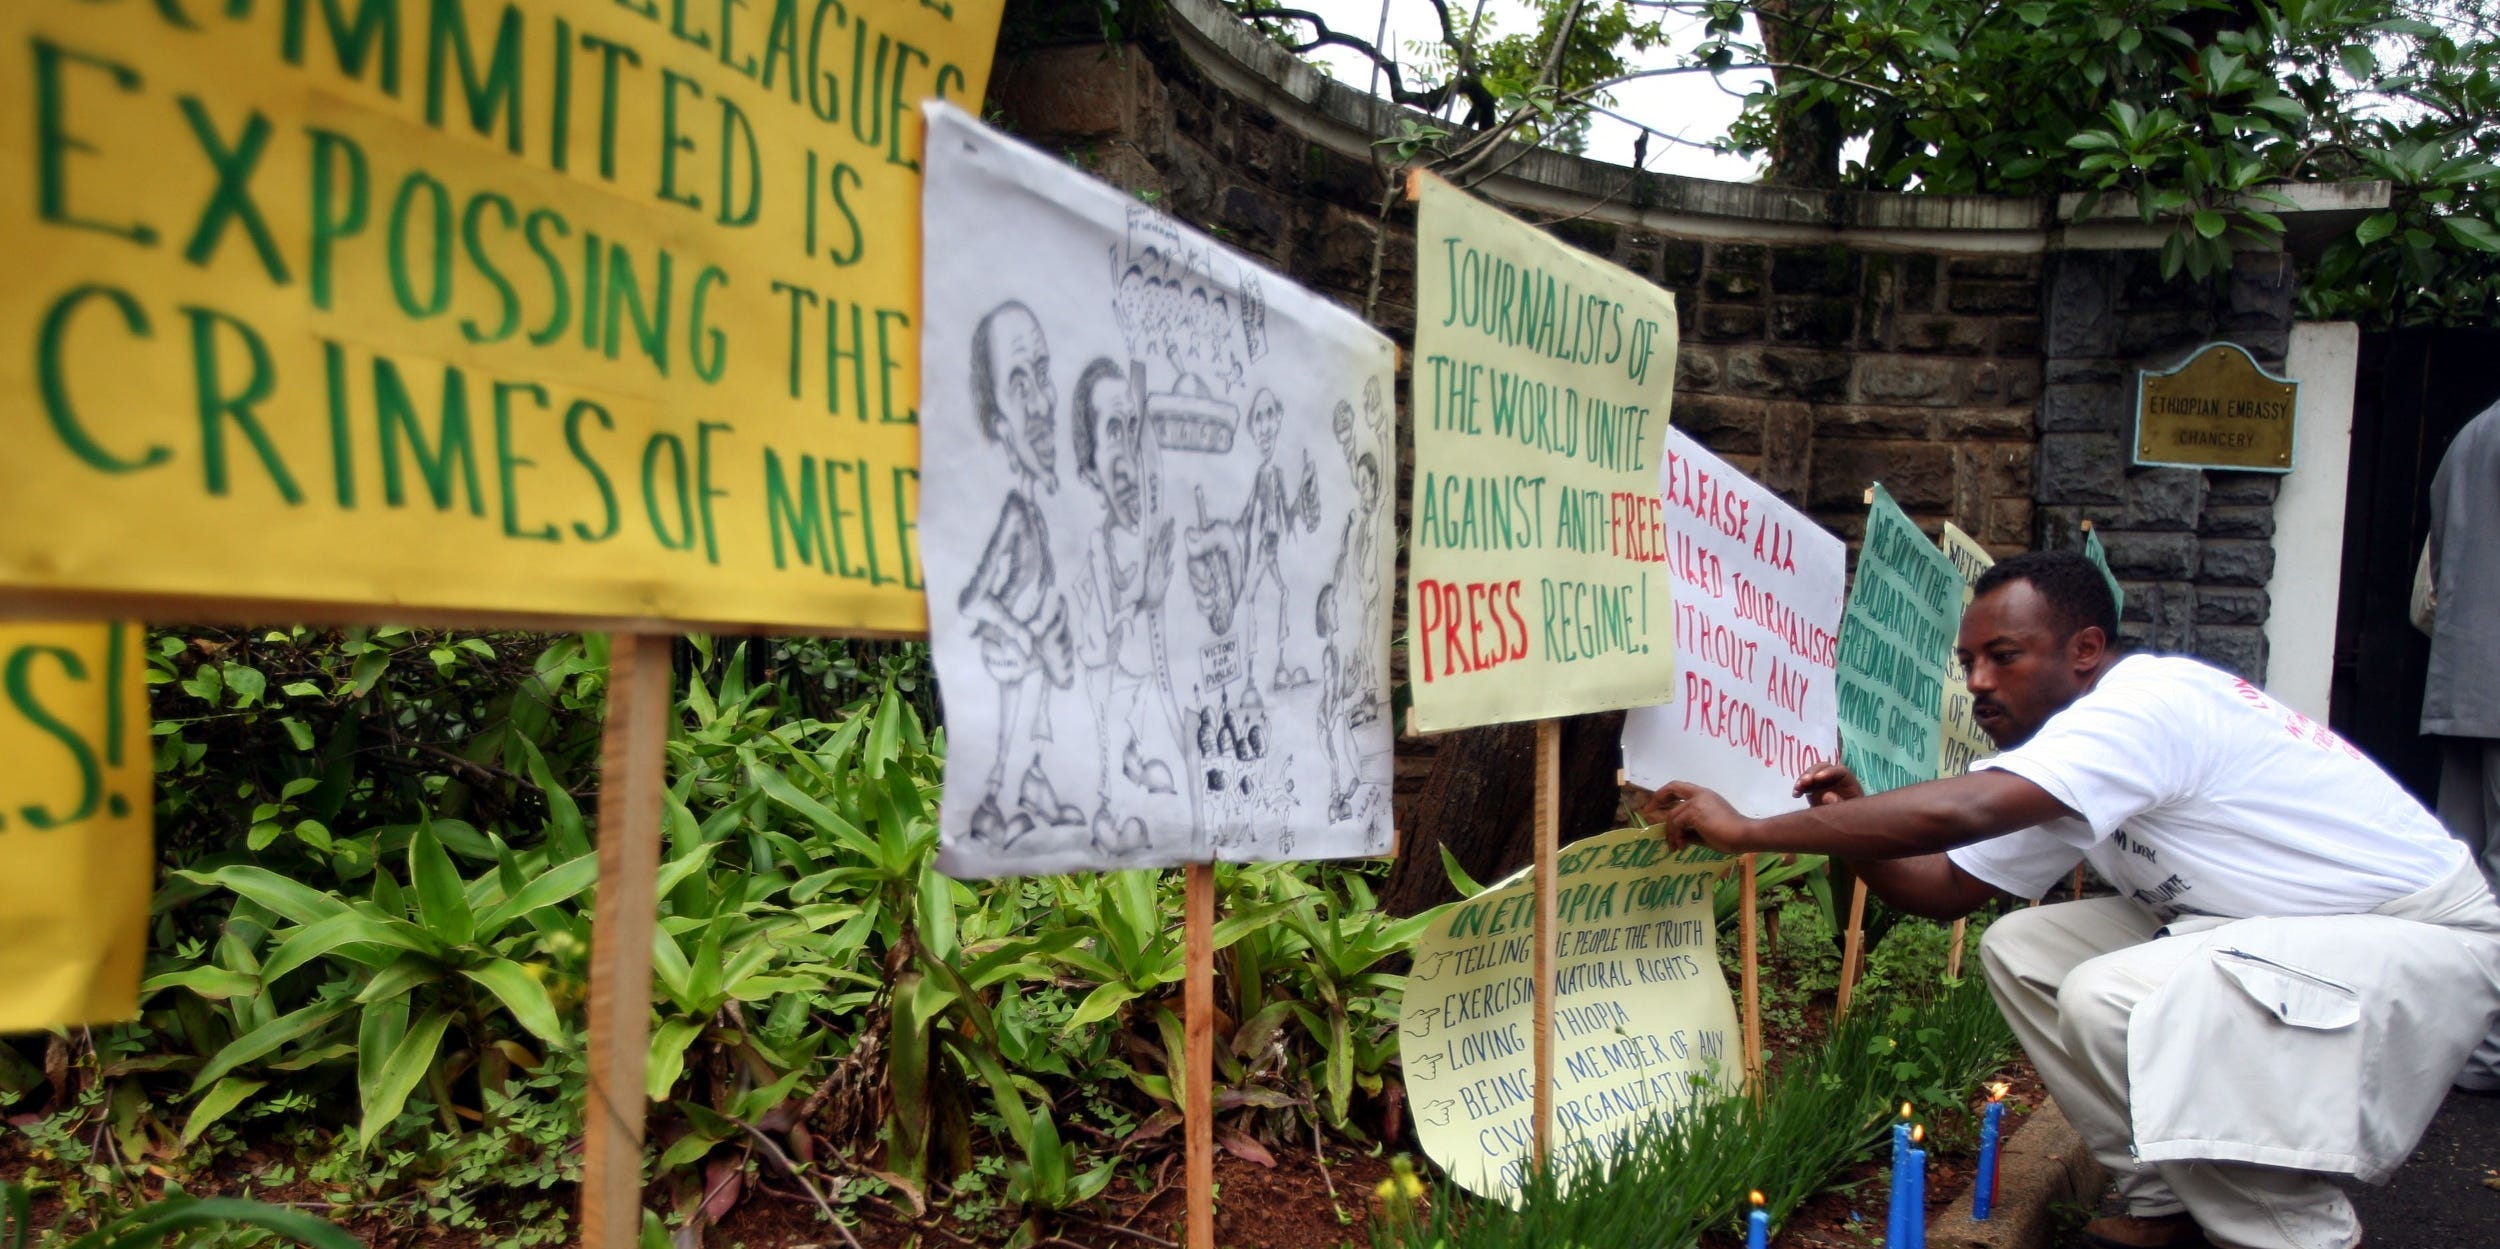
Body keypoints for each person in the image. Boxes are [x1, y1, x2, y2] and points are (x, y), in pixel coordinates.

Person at [1639, 550, 2500, 1249]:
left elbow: (1971, 807)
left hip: (2412, 937)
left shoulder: (2142, 708)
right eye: (1968, 661)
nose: (1977, 680)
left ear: (2084, 650)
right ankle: (2160, 1193)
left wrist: (1753, 829)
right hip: (2274, 928)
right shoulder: (2072, 753)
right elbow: (1946, 889)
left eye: (2002, 656)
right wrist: (1850, 819)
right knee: (2027, 952)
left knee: (2111, 992)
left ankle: (2291, 1231)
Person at [2420, 396, 2500, 1092]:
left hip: (2464, 680)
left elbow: (2441, 563)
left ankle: (2451, 1045)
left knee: (2459, 873)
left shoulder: (2470, 434)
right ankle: (2488, 1051)